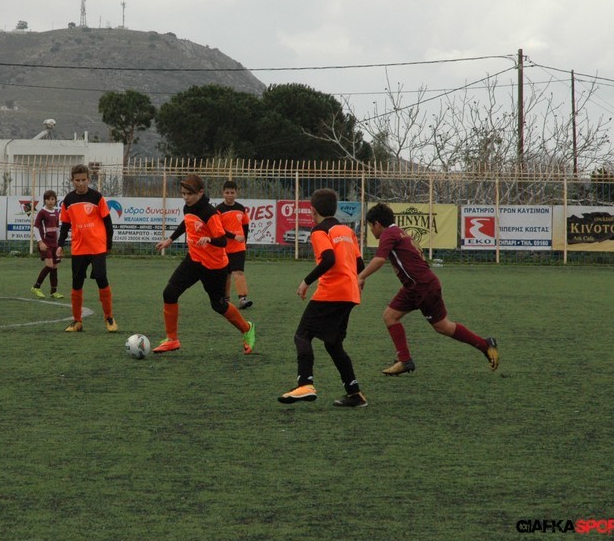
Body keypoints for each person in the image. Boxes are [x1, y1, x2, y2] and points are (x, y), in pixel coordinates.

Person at [359, 202, 498, 375]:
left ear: (377, 224)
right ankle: (404, 360)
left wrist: (361, 277)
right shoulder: (399, 232)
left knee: (442, 327)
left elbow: (379, 260)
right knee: (390, 316)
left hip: (422, 286)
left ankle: (485, 345)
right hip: (415, 286)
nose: (371, 231)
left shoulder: (388, 233)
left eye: (370, 227)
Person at [278, 188, 367, 407]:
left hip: (332, 292)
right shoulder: (347, 231)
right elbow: (360, 265)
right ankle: (355, 393)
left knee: (302, 335)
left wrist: (306, 281)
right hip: (349, 294)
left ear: (312, 211)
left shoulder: (319, 231)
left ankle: (305, 384)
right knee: (333, 344)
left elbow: (328, 259)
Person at [152, 174, 256, 354]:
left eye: (189, 194)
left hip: (214, 266)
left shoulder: (210, 213)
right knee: (169, 293)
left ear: (200, 193)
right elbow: (186, 223)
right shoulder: (188, 207)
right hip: (193, 260)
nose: (186, 197)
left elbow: (222, 241)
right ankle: (172, 339)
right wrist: (170, 239)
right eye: (183, 194)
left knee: (219, 305)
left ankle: (247, 328)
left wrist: (209, 239)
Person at [56, 164, 117, 332]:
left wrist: (108, 245)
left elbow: (108, 223)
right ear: (72, 181)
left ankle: (109, 318)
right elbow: (65, 225)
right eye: (77, 180)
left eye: (83, 180)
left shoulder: (97, 197)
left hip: (97, 247)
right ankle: (77, 321)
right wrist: (60, 245)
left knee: (101, 278)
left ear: (88, 179)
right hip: (79, 248)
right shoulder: (68, 200)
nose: (81, 183)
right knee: (76, 283)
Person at [216, 179, 253, 309]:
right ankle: (226, 300)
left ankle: (243, 299)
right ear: (223, 193)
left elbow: (245, 226)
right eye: (227, 192)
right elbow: (219, 229)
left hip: (238, 248)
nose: (230, 195)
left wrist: (244, 241)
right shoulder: (218, 210)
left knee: (239, 272)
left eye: (232, 192)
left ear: (236, 193)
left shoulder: (241, 208)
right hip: (224, 248)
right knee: (226, 275)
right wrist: (234, 236)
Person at [31, 190, 64, 299]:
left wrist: (59, 245)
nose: (50, 201)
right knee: (49, 265)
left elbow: (57, 229)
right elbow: (35, 228)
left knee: (54, 267)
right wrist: (40, 242)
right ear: (44, 200)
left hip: (54, 244)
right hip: (45, 243)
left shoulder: (57, 213)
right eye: (48, 199)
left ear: (55, 201)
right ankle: (36, 287)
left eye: (52, 199)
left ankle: (54, 292)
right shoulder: (42, 212)